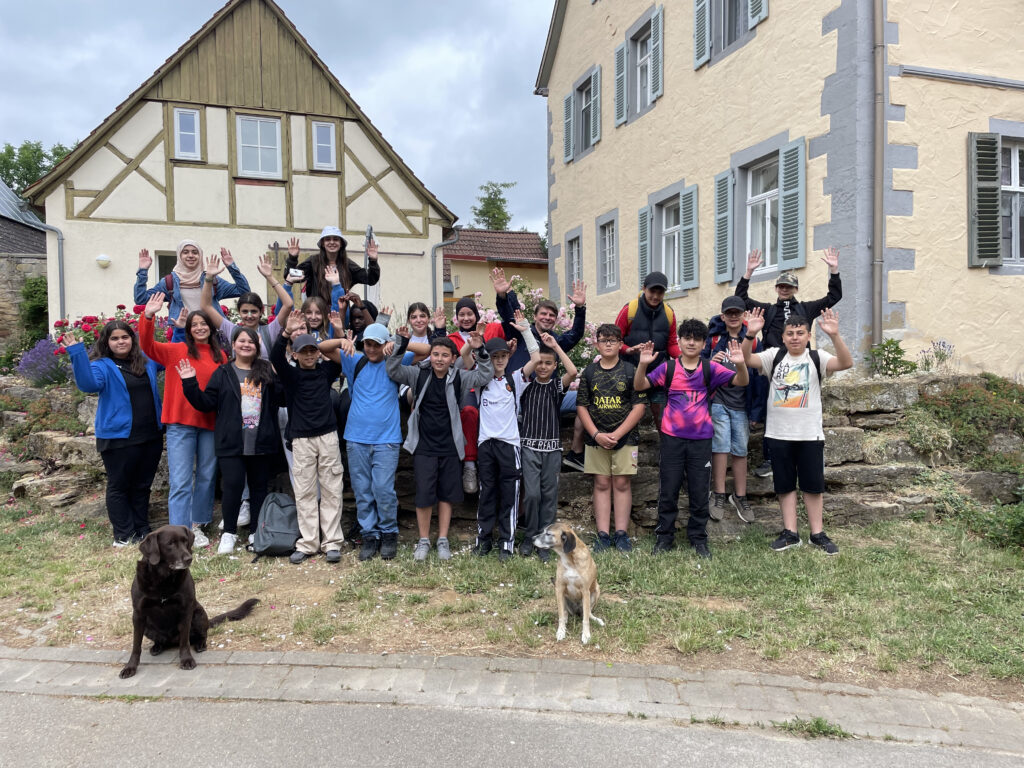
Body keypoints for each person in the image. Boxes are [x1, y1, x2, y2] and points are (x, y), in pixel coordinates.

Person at [742, 307, 853, 555]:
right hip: (778, 434)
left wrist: (835, 335)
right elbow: (746, 359)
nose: (795, 337)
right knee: (784, 485)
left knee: (813, 486)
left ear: (808, 336)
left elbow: (846, 362)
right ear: (783, 337)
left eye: (800, 333)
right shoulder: (774, 356)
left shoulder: (817, 357)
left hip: (809, 434)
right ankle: (790, 533)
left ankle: (817, 534)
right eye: (790, 333)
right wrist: (750, 334)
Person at [634, 320, 748, 559]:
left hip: (701, 439)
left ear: (704, 344)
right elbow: (640, 385)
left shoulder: (710, 368)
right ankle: (664, 537)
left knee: (699, 491)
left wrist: (740, 365)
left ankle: (698, 538)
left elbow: (742, 381)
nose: (692, 342)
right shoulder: (668, 368)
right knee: (668, 490)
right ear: (680, 341)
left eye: (697, 339)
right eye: (687, 338)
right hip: (672, 439)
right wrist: (642, 364)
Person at [386, 326, 493, 562]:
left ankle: (443, 539)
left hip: (450, 445)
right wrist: (400, 343)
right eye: (435, 354)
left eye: (445, 355)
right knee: (424, 494)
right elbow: (393, 370)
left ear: (454, 358)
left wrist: (480, 350)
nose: (439, 359)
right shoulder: (418, 374)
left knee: (446, 494)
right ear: (430, 356)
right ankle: (423, 539)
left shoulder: (460, 377)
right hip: (423, 445)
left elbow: (484, 375)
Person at [735, 247, 842, 477]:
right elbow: (742, 300)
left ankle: (801, 456)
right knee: (770, 408)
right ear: (776, 288)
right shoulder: (767, 310)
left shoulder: (806, 308)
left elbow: (833, 297)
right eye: (781, 286)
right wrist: (748, 273)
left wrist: (834, 271)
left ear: (795, 289)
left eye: (789, 286)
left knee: (801, 406)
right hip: (773, 365)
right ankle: (769, 459)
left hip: (802, 365)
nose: (784, 289)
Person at [179, 327, 284, 554]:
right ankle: (229, 533)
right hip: (232, 442)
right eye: (241, 341)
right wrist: (189, 382)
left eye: (251, 342)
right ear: (233, 345)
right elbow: (206, 403)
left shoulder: (266, 370)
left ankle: (256, 531)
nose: (246, 345)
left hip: (261, 442)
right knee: (232, 487)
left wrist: (279, 373)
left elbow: (282, 399)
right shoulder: (223, 372)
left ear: (257, 347)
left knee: (258, 488)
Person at [564, 270, 678, 472]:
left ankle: (669, 456)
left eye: (660, 292)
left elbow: (671, 344)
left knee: (662, 416)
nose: (655, 296)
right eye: (652, 291)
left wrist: (686, 359)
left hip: (657, 374)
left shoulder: (669, 313)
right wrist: (628, 349)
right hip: (629, 373)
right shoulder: (630, 310)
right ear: (644, 289)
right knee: (615, 411)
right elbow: (615, 338)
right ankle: (589, 450)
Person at [139, 293, 228, 547]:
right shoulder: (176, 350)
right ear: (188, 330)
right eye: (194, 325)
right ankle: (180, 530)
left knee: (207, 476)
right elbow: (147, 346)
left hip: (210, 423)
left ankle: (197, 526)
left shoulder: (221, 357)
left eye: (204, 324)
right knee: (181, 481)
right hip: (180, 423)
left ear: (211, 328)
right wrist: (148, 316)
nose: (200, 328)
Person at [65, 320, 163, 546]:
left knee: (142, 485)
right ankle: (124, 534)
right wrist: (77, 353)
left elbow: (170, 355)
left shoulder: (145, 361)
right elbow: (88, 385)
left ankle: (142, 529)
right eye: (115, 338)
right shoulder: (102, 366)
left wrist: (178, 330)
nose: (121, 342)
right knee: (119, 485)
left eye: (125, 337)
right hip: (118, 437)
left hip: (150, 435)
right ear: (106, 342)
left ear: (132, 339)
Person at [319, 323, 402, 561]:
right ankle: (369, 534)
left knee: (383, 489)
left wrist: (396, 343)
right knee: (362, 490)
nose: (372, 349)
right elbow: (322, 348)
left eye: (377, 344)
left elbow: (424, 351)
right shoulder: (355, 360)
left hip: (387, 439)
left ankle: (389, 532)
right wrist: (341, 341)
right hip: (356, 438)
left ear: (384, 344)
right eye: (368, 344)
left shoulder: (395, 361)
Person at [270, 313, 345, 564]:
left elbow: (341, 356)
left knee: (332, 489)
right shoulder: (290, 376)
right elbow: (275, 357)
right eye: (304, 352)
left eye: (313, 351)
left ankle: (332, 542)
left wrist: (339, 333)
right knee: (304, 492)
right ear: (295, 355)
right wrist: (285, 332)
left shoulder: (326, 371)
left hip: (327, 436)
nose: (309, 355)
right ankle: (309, 542)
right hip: (301, 439)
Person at [575, 323, 647, 553]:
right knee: (601, 483)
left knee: (622, 483)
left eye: (612, 340)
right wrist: (596, 434)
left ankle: (622, 534)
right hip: (596, 438)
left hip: (625, 437)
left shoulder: (630, 370)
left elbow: (639, 407)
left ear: (620, 344)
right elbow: (582, 406)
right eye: (603, 340)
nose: (608, 344)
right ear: (596, 344)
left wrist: (617, 434)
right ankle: (603, 535)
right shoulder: (589, 372)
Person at [517, 333, 578, 562]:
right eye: (539, 362)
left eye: (548, 363)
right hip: (529, 448)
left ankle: (545, 540)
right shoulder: (525, 386)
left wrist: (556, 347)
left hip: (552, 449)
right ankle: (530, 536)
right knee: (532, 495)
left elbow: (572, 372)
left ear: (554, 366)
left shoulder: (556, 386)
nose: (543, 367)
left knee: (549, 497)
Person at [702, 296, 764, 523]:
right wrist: (711, 361)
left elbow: (760, 379)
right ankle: (718, 493)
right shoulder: (714, 339)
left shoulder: (754, 341)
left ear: (744, 315)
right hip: (718, 401)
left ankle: (740, 496)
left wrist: (757, 412)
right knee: (720, 446)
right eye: (729, 313)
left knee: (740, 449)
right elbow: (699, 368)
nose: (734, 316)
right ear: (723, 316)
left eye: (738, 312)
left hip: (742, 405)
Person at [472, 329, 533, 562]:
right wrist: (477, 345)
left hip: (509, 444)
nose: (499, 360)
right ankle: (484, 539)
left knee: (510, 494)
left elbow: (536, 359)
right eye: (494, 356)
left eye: (503, 356)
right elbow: (467, 360)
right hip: (486, 443)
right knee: (487, 492)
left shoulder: (515, 378)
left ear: (509, 356)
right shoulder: (480, 380)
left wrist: (526, 329)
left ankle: (507, 542)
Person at [446, 294, 508, 495]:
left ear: (477, 314)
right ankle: (470, 465)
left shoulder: (492, 329)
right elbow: (457, 362)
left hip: (492, 384)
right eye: (461, 314)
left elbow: (504, 346)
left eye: (469, 314)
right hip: (467, 387)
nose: (466, 318)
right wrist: (473, 341)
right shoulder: (451, 339)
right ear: (456, 317)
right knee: (470, 412)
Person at [134, 241, 250, 342]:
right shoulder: (169, 282)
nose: (190, 255)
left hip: (211, 337)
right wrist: (143, 271)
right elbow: (141, 299)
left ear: (200, 255)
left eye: (195, 252)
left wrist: (231, 267)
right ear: (179, 256)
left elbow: (244, 291)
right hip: (183, 336)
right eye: (185, 252)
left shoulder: (212, 279)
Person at [492, 267, 588, 373]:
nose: (547, 317)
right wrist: (502, 296)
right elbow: (509, 316)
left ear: (555, 319)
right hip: (517, 383)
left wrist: (580, 308)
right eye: (543, 314)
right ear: (535, 317)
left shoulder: (556, 341)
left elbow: (576, 334)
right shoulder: (520, 332)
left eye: (551, 315)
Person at [201, 251, 294, 355]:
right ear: (239, 312)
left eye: (254, 311)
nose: (249, 316)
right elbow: (206, 306)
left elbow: (288, 304)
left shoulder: (270, 330)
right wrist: (208, 278)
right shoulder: (231, 330)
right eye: (245, 311)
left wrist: (269, 277)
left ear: (261, 312)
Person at [282, 228, 380, 310]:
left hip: (341, 313)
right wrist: (292, 258)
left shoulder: (347, 264)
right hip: (316, 313)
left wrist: (373, 260)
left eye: (336, 239)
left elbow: (371, 279)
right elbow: (289, 276)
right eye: (328, 239)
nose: (332, 242)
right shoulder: (313, 261)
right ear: (322, 243)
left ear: (341, 243)